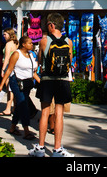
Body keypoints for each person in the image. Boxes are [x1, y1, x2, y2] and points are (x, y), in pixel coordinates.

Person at [29, 13, 74, 157]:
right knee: (59, 113)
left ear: (51, 25)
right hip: (62, 79)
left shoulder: (44, 41)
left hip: (47, 79)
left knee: (45, 112)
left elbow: (41, 60)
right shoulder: (69, 41)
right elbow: (70, 60)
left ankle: (40, 148)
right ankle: (57, 149)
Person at [0, 35, 39, 139]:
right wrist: (1, 84)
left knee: (20, 105)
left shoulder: (30, 55)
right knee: (23, 104)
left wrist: (40, 82)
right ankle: (26, 130)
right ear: (23, 44)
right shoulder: (16, 54)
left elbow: (33, 72)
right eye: (29, 43)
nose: (32, 45)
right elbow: (9, 70)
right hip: (16, 82)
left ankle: (12, 127)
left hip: (27, 83)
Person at [0, 28, 18, 116]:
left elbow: (6, 58)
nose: (4, 36)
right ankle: (14, 107)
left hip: (8, 66)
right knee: (13, 88)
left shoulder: (8, 44)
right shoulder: (16, 43)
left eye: (5, 34)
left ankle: (8, 108)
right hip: (15, 66)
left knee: (9, 89)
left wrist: (3, 69)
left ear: (9, 34)